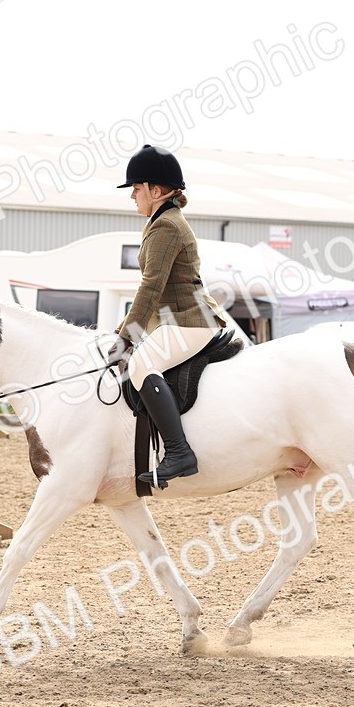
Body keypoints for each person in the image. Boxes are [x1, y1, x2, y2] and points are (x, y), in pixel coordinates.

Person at [110, 145, 229, 488]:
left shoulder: (167, 227)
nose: (132, 195)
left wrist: (125, 335)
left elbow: (151, 287)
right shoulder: (162, 221)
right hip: (177, 320)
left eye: (136, 188)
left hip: (188, 321)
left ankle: (179, 452)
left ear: (156, 190)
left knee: (141, 366)